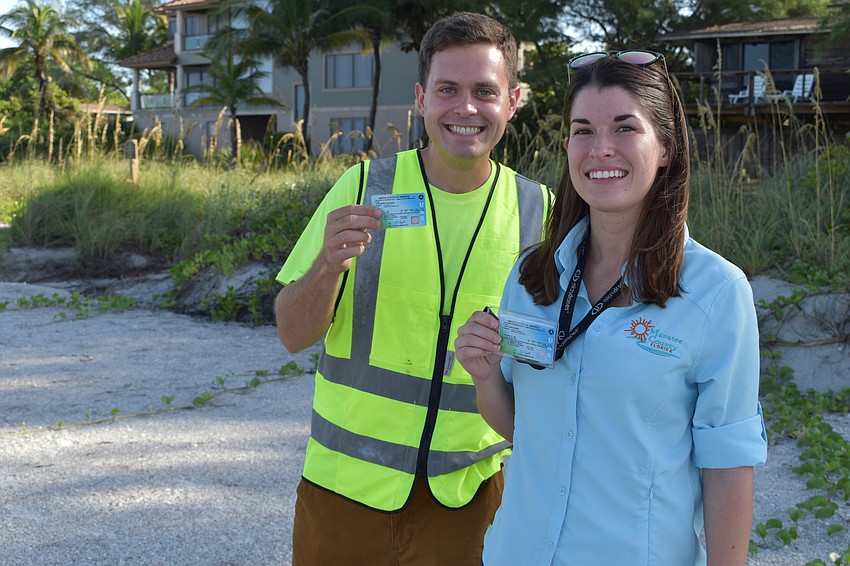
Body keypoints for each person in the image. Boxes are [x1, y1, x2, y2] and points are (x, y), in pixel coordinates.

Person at [455, 50, 768, 566]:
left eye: (625, 128)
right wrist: (486, 377)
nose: (600, 149)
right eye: (583, 131)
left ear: (665, 148)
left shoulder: (716, 292)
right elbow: (523, 428)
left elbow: (728, 465)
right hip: (517, 552)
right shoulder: (533, 276)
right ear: (567, 146)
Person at [273, 11, 551, 565]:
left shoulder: (538, 214)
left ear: (513, 101)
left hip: (468, 502)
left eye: (485, 91)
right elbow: (291, 334)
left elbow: (551, 366)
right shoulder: (362, 187)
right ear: (422, 97)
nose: (465, 108)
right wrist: (327, 267)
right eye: (448, 89)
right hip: (343, 493)